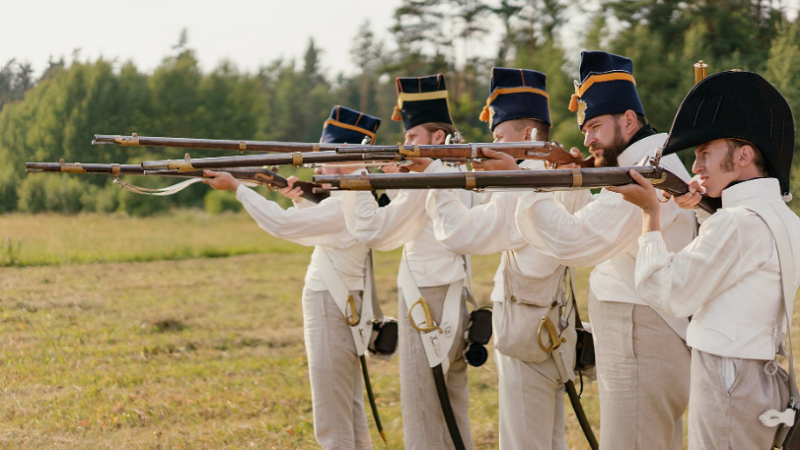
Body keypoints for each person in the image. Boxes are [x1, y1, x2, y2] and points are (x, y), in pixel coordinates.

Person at [511, 51, 697, 450]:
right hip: (645, 333)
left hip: (641, 335)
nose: (588, 138)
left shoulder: (646, 170)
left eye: (595, 125)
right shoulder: (644, 161)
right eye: (585, 129)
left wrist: (530, 178)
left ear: (628, 120)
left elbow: (575, 241)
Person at [608, 70, 800, 449]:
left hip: (727, 374)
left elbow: (669, 293)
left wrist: (651, 213)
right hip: (754, 373)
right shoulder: (781, 217)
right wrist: (702, 210)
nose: (695, 167)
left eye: (704, 153)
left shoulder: (736, 222)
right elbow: (734, 267)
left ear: (744, 155)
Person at [203, 105, 385, 450]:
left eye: (324, 157)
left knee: (333, 420)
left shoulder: (342, 204)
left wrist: (239, 189)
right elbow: (319, 231)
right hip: (343, 305)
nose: (315, 166)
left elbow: (283, 226)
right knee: (347, 408)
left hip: (331, 306)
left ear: (346, 159)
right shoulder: (351, 200)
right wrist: (301, 199)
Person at [426, 67, 588, 450]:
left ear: (528, 136)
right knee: (548, 439)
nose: (491, 143)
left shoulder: (523, 183)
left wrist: (435, 175)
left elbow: (459, 234)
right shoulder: (549, 173)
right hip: (551, 326)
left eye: (499, 136)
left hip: (525, 327)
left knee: (522, 442)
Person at [342, 74, 475, 450]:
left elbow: (378, 233)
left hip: (426, 300)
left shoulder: (431, 177)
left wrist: (358, 178)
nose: (405, 145)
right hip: (453, 295)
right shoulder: (454, 172)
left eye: (413, 137)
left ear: (437, 139)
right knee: (452, 406)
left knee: (422, 410)